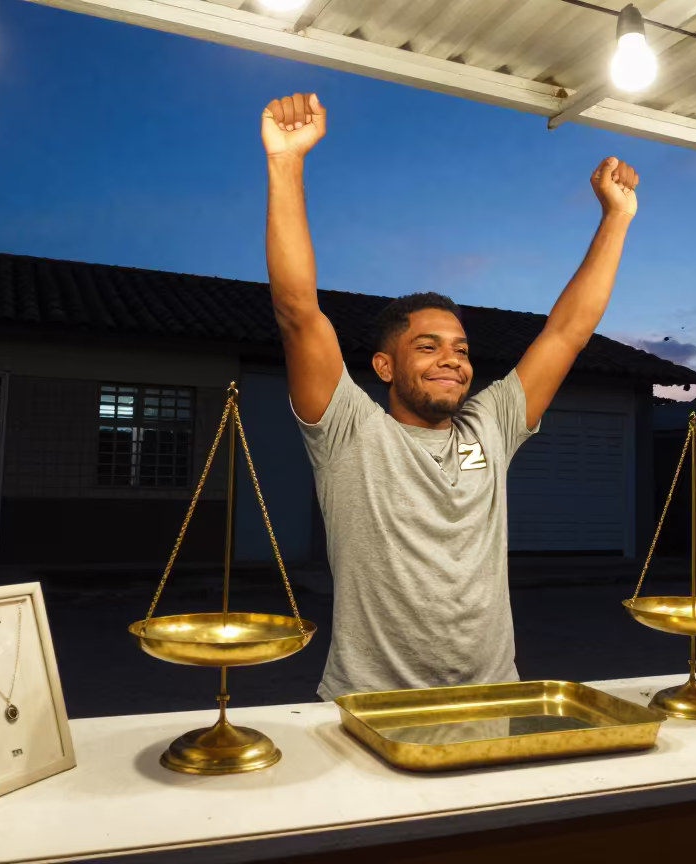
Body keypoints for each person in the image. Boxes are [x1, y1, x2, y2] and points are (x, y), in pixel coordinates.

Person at [262, 92, 639, 701]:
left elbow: (567, 333)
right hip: (370, 702)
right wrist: (286, 164)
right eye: (428, 346)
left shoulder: (489, 426)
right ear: (384, 365)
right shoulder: (350, 431)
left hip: (492, 695)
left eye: (461, 350)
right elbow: (298, 311)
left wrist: (615, 219)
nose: (453, 361)